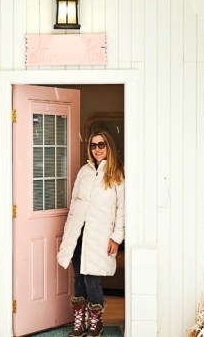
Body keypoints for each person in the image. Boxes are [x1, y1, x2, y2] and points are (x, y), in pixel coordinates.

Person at [56, 130, 125, 337]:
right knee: (79, 278)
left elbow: (122, 209)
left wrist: (116, 237)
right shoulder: (84, 172)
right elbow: (75, 203)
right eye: (94, 145)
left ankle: (96, 321)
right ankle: (80, 322)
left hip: (100, 235)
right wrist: (69, 231)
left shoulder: (117, 174)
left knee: (92, 280)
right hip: (79, 234)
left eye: (101, 144)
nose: (97, 149)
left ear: (108, 146)